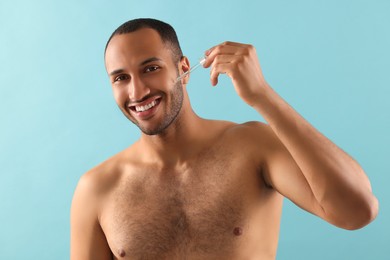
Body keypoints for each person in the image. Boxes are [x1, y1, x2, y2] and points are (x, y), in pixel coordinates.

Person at [70, 18, 379, 260]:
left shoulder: (252, 148)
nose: (137, 92)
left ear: (184, 69)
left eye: (151, 68)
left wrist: (262, 96)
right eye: (121, 78)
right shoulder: (97, 188)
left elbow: (357, 211)